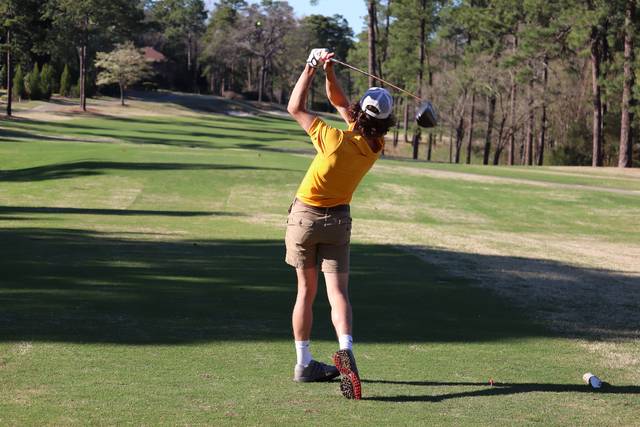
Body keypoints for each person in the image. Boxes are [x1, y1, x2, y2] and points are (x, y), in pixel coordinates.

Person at [285, 48, 395, 400]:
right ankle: (345, 347)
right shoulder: (375, 144)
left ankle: (304, 364)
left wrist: (311, 68)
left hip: (305, 218)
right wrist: (331, 74)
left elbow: (295, 108)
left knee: (306, 291)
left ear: (358, 113)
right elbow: (343, 104)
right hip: (338, 221)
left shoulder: (332, 140)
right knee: (339, 293)